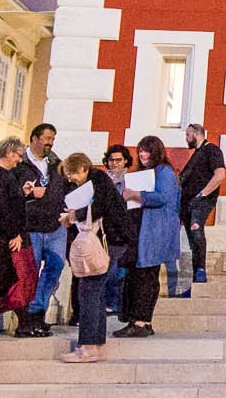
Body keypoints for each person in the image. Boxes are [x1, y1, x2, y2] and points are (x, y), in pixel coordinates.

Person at [0, 137, 45, 336]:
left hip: (3, 236)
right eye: (18, 156)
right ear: (9, 152)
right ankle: (25, 326)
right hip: (3, 239)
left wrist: (22, 193)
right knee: (18, 281)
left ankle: (25, 324)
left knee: (21, 280)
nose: (19, 161)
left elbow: (5, 202)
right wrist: (14, 234)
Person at [56, 153, 118, 362]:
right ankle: (97, 346)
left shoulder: (99, 179)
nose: (70, 178)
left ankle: (88, 347)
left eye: (72, 174)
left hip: (108, 242)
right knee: (95, 293)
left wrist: (76, 214)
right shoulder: (94, 180)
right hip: (108, 241)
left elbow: (101, 206)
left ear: (83, 169)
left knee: (89, 292)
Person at [127, 135, 184, 323]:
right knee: (142, 276)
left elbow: (163, 197)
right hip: (146, 230)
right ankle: (139, 321)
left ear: (156, 152)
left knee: (147, 277)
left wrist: (137, 195)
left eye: (147, 150)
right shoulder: (150, 172)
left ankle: (142, 322)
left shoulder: (164, 172)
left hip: (156, 232)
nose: (143, 154)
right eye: (141, 150)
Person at [22, 122, 67, 326]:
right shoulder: (19, 163)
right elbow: (11, 193)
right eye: (47, 138)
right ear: (34, 138)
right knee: (30, 271)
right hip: (30, 226)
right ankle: (29, 315)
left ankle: (39, 309)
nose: (51, 142)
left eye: (53, 139)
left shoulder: (57, 163)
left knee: (55, 267)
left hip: (55, 225)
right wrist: (30, 193)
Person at [179, 123, 225, 284]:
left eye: (188, 135)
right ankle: (196, 279)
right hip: (188, 203)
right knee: (193, 240)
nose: (186, 138)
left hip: (200, 201)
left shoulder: (211, 149)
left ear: (197, 134)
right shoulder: (197, 154)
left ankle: (200, 272)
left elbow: (220, 175)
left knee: (196, 230)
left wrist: (201, 195)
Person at [100, 144, 135, 322]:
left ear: (126, 161)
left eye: (118, 160)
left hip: (125, 231)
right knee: (109, 270)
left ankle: (116, 305)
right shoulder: (103, 181)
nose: (114, 164)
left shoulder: (131, 181)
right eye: (111, 160)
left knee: (118, 271)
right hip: (106, 231)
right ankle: (109, 303)